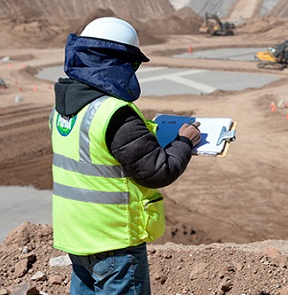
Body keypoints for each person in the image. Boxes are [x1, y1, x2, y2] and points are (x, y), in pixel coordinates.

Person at [49, 17, 202, 295]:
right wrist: (184, 142)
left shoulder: (63, 110)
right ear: (117, 62)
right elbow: (159, 171)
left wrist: (145, 134)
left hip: (76, 235)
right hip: (114, 240)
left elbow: (98, 153)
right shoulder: (114, 113)